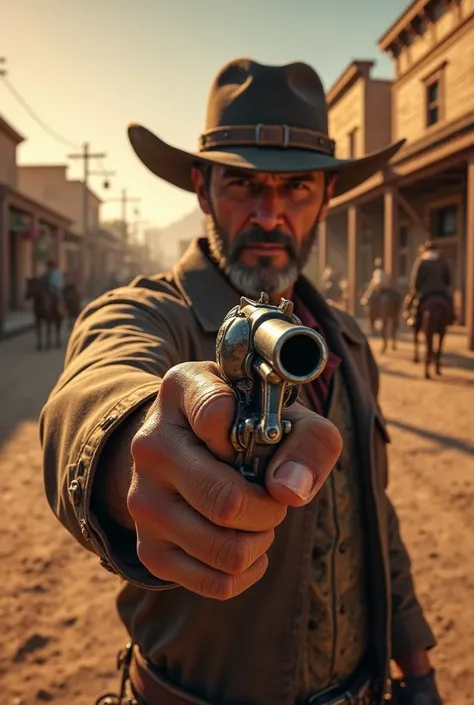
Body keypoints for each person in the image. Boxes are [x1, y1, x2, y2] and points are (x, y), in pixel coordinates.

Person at [40, 59, 442, 705]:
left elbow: (375, 518)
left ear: (327, 198)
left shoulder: (346, 337)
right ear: (202, 189)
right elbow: (98, 387)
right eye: (244, 185)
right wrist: (129, 453)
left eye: (297, 189)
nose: (270, 213)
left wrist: (416, 666)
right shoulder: (148, 310)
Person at [404, 241, 454, 327]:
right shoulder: (442, 261)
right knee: (450, 302)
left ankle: (413, 318)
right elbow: (448, 279)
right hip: (441, 291)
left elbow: (416, 279)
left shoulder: (421, 262)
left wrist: (415, 290)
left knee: (414, 305)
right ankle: (452, 317)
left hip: (425, 292)